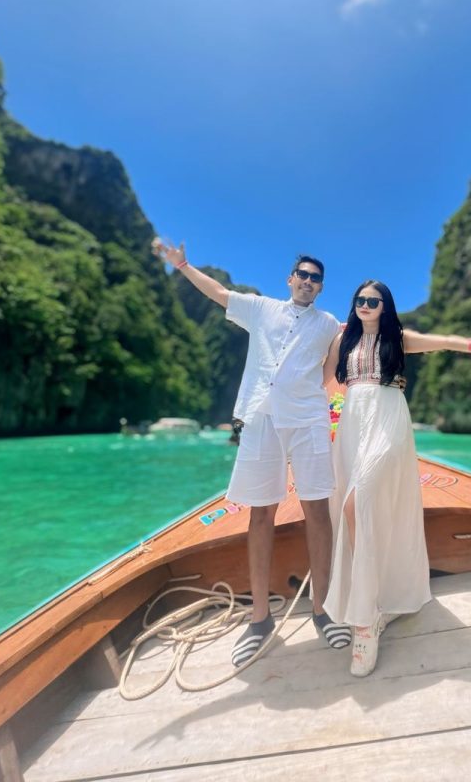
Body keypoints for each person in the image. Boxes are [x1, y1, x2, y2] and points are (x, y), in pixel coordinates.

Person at [153, 241, 351, 665]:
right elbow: (220, 293)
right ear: (291, 279)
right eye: (303, 275)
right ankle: (260, 619)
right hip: (261, 418)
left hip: (308, 420)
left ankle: (322, 610)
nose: (308, 281)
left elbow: (333, 368)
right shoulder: (261, 309)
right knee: (261, 513)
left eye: (316, 278)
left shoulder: (329, 324)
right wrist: (182, 265)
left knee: (318, 511)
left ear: (320, 287)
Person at [322, 279, 471, 677]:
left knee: (358, 503)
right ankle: (375, 602)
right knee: (355, 511)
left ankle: (365, 622)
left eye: (373, 300)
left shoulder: (399, 338)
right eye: (360, 299)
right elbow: (322, 382)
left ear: (385, 305)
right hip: (351, 426)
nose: (365, 305)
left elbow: (445, 342)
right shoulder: (342, 341)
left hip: (388, 420)